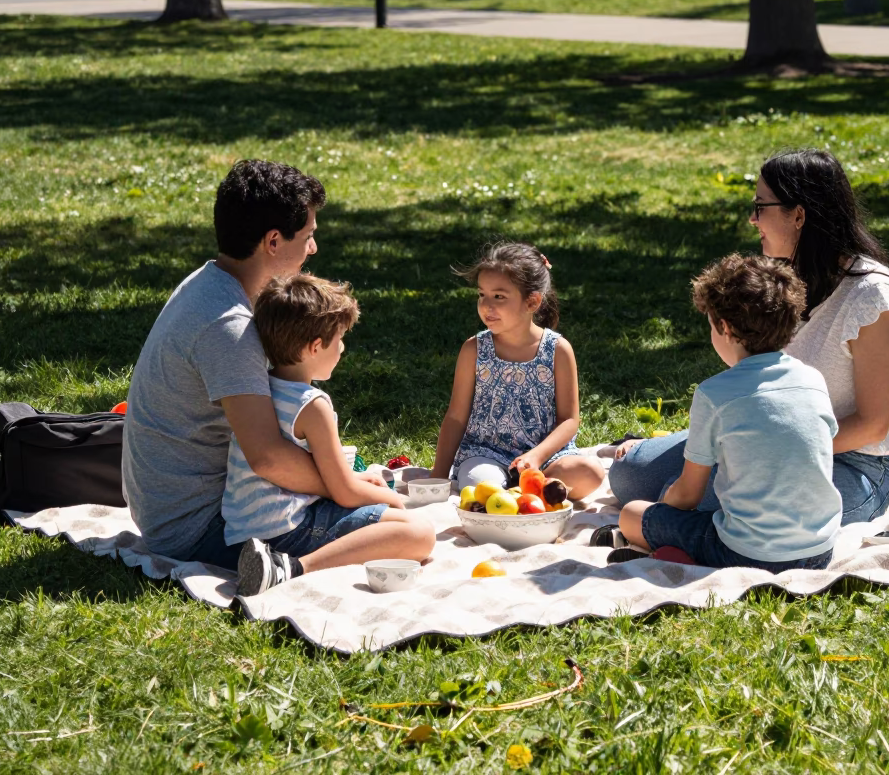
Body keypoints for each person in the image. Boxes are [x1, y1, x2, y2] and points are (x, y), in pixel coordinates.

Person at [609, 149, 889, 527]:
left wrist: (763, 450)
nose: (752, 218)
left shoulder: (874, 298)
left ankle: (672, 526)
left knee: (695, 499)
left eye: (760, 206)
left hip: (852, 463)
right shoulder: (781, 280)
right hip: (764, 438)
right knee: (630, 473)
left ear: (799, 215)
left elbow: (873, 425)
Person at [123, 159, 387, 571]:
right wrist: (343, 486)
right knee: (403, 528)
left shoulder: (207, 281)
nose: (313, 248)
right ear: (274, 241)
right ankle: (287, 571)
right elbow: (267, 458)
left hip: (178, 511)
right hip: (203, 527)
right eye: (309, 236)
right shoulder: (229, 326)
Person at [594, 254, 841, 571]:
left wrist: (659, 514)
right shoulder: (813, 380)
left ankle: (668, 553)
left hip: (748, 555)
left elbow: (688, 495)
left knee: (632, 514)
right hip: (819, 550)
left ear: (724, 326)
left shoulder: (716, 393)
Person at [226, 275, 434, 596]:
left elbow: (334, 478)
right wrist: (392, 498)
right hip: (288, 531)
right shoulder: (313, 405)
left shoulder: (258, 389)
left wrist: (359, 482)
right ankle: (292, 568)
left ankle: (275, 563)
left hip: (239, 534)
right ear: (315, 347)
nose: (343, 347)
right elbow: (344, 494)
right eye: (340, 338)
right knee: (420, 534)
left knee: (393, 519)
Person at [430, 242, 605, 500]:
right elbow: (456, 417)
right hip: (486, 454)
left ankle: (524, 489)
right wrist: (438, 475)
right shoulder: (473, 350)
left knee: (590, 472)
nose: (486, 305)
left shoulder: (558, 350)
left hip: (546, 457)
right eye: (482, 295)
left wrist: (537, 456)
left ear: (532, 301)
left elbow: (569, 420)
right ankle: (530, 494)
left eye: (499, 296)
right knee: (479, 485)